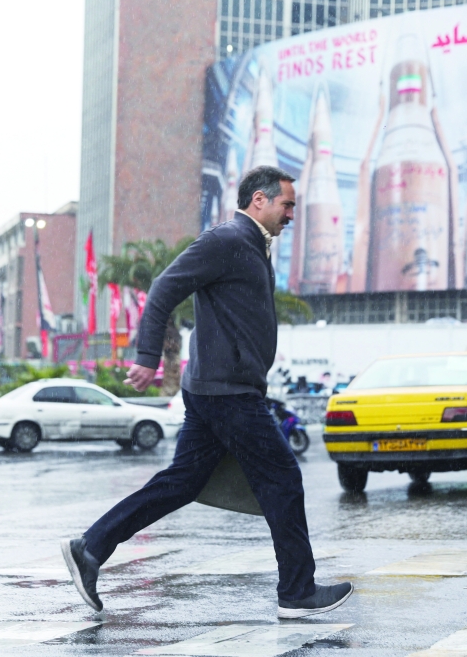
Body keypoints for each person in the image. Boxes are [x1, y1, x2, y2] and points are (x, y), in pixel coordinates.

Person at [61, 166, 353, 619]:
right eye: (287, 204)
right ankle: (297, 591)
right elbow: (163, 288)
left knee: (182, 482)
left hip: (217, 388)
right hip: (227, 392)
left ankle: (90, 548)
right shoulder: (227, 240)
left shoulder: (252, 245)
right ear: (259, 200)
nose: (292, 213)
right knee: (282, 480)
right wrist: (147, 356)